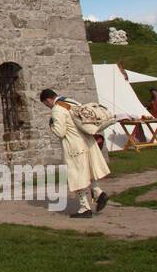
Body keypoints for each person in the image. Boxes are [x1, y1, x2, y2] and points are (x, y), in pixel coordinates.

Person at [40, 88, 110, 218]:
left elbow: (60, 132)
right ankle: (99, 193)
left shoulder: (57, 109)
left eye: (46, 104)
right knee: (87, 173)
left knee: (76, 177)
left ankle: (85, 208)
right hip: (86, 142)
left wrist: (51, 125)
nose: (47, 106)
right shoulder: (69, 101)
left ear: (48, 100)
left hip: (74, 147)